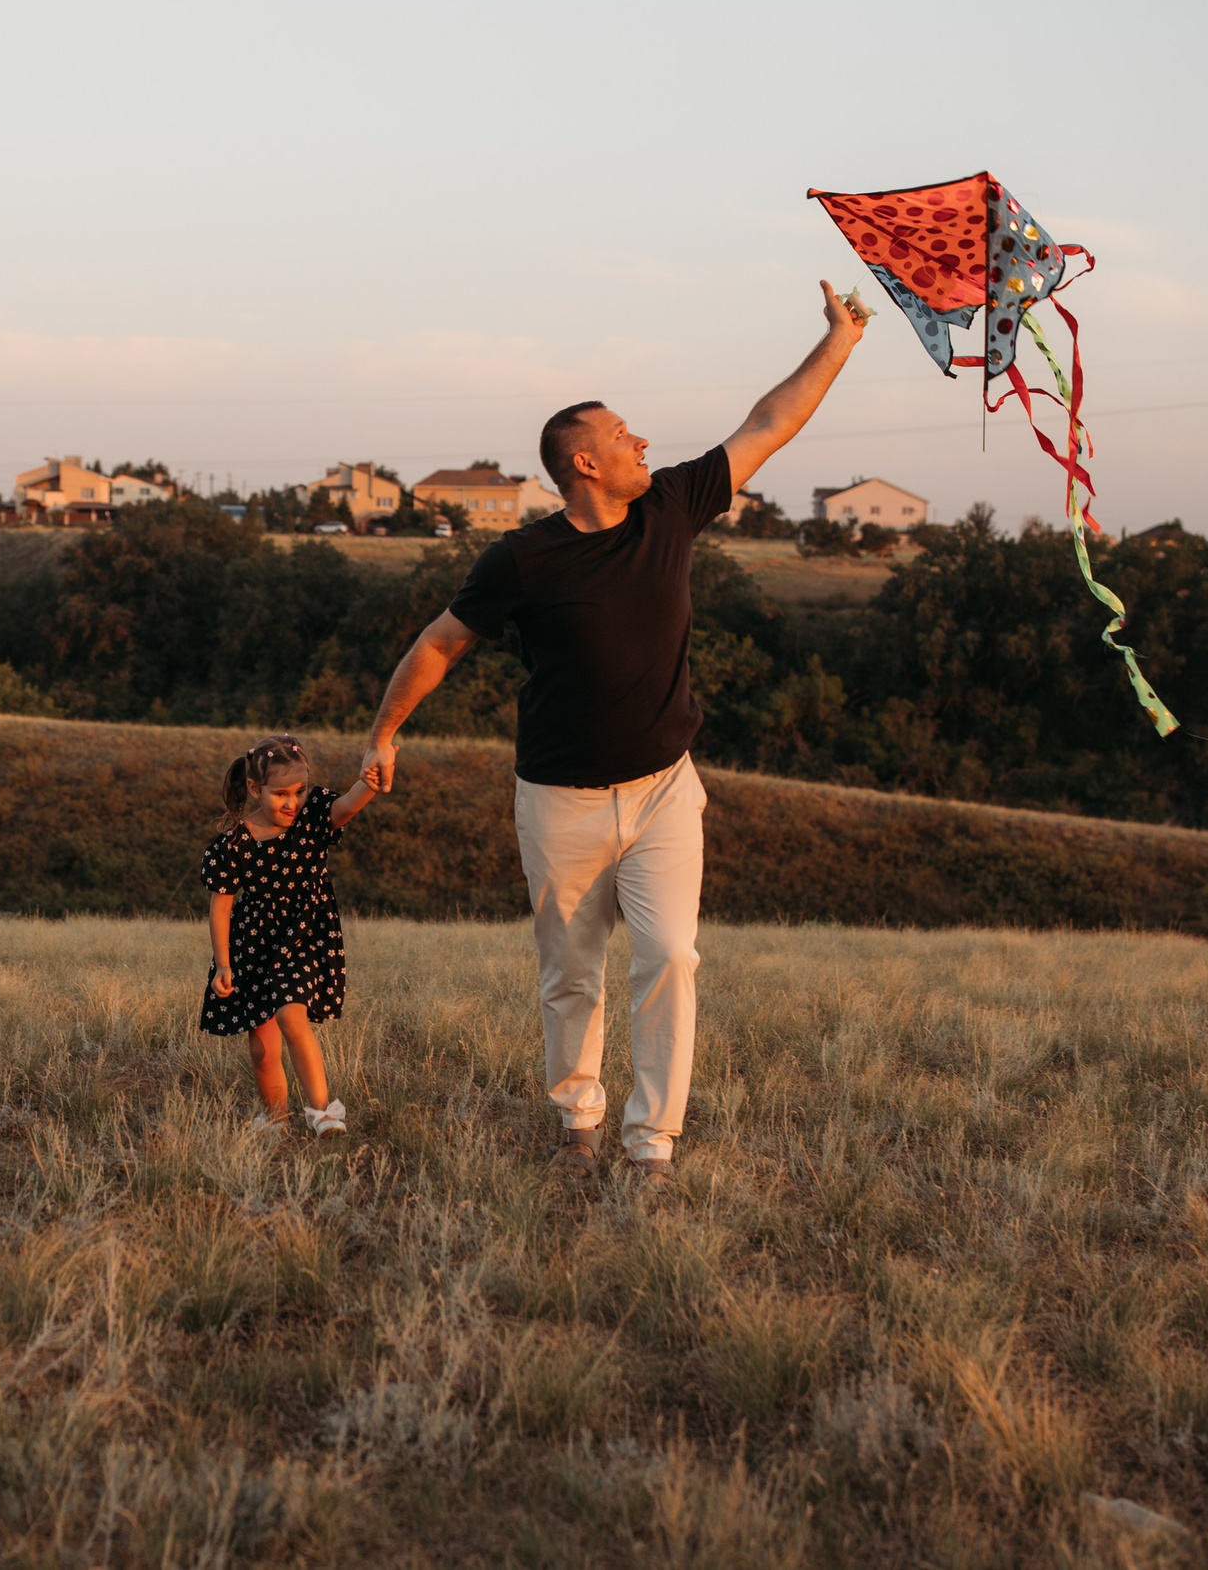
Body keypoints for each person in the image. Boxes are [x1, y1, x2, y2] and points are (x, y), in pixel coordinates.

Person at [358, 282, 869, 1184]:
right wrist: (384, 733)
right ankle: (577, 1120)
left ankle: (651, 1142)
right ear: (585, 465)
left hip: (665, 787)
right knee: (571, 972)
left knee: (671, 954)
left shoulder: (671, 507)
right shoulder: (522, 558)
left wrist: (839, 341)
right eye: (625, 435)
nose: (643, 444)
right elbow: (442, 642)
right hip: (558, 799)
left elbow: (768, 421)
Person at [200, 734, 384, 1137]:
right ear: (254, 789)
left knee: (291, 1014)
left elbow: (347, 805)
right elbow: (221, 906)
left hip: (304, 936)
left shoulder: (312, 816)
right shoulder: (236, 842)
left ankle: (323, 1114)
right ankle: (276, 1120)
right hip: (252, 945)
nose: (292, 802)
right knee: (263, 1048)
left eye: (299, 791)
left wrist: (369, 782)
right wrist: (224, 963)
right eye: (280, 793)